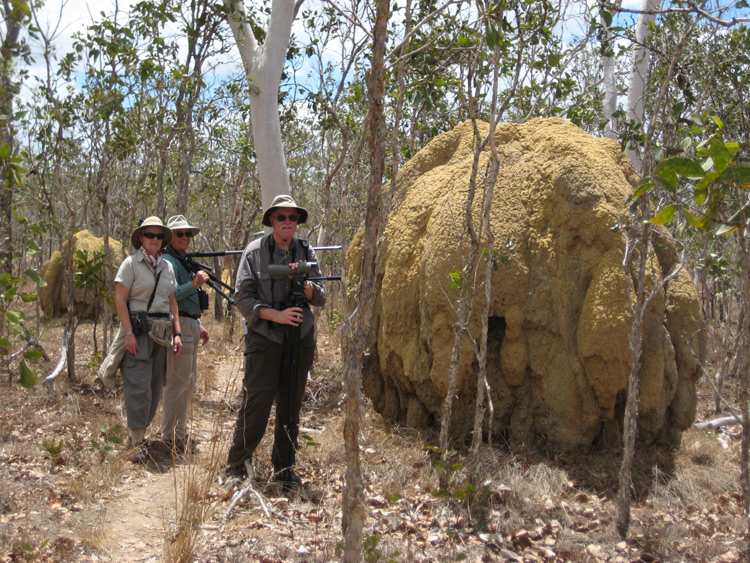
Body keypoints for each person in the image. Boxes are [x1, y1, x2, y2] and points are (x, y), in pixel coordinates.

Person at [226, 194, 327, 488]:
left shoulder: (305, 250)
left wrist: (305, 284)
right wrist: (276, 316)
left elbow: (321, 296)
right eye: (281, 217)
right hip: (265, 336)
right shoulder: (254, 252)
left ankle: (284, 470)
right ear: (272, 220)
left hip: (300, 336)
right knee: (257, 400)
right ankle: (236, 465)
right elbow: (242, 298)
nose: (287, 222)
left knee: (291, 403)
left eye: (292, 218)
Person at [113, 217, 183, 460]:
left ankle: (141, 432)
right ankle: (136, 441)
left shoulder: (167, 267)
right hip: (139, 330)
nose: (155, 239)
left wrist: (177, 333)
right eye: (149, 235)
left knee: (154, 386)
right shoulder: (130, 264)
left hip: (162, 332)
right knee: (138, 384)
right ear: (141, 238)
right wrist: (129, 333)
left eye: (158, 236)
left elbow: (172, 302)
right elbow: (120, 299)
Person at [161, 215, 210, 453]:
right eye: (179, 234)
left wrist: (198, 323)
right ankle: (169, 436)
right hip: (178, 327)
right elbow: (168, 296)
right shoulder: (168, 261)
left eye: (187, 234)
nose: (184, 238)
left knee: (187, 383)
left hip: (189, 324)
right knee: (177, 383)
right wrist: (194, 284)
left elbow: (187, 301)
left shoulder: (182, 261)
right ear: (170, 237)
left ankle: (180, 431)